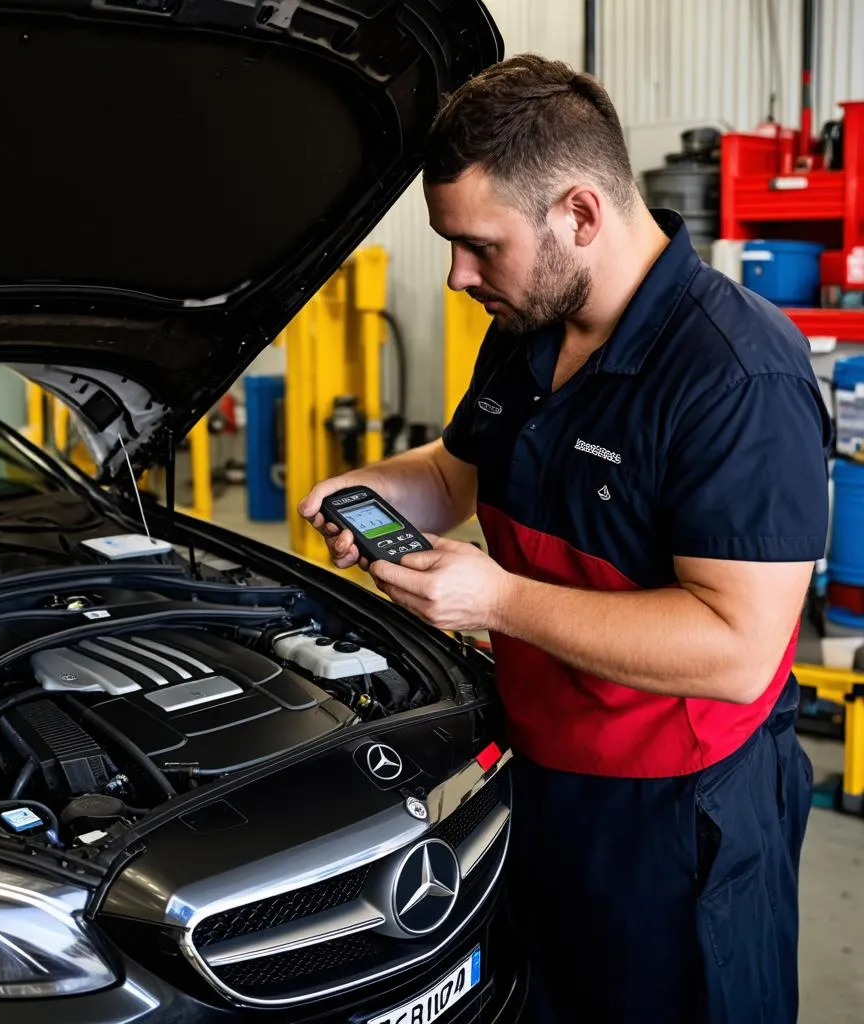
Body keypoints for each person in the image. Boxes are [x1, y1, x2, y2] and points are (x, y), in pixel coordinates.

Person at [298, 53, 833, 1024]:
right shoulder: (529, 321)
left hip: (678, 823)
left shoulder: (736, 373)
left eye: (477, 246)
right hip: (540, 779)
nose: (457, 276)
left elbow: (735, 649)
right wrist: (371, 488)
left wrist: (494, 599)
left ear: (579, 215)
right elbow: (458, 471)